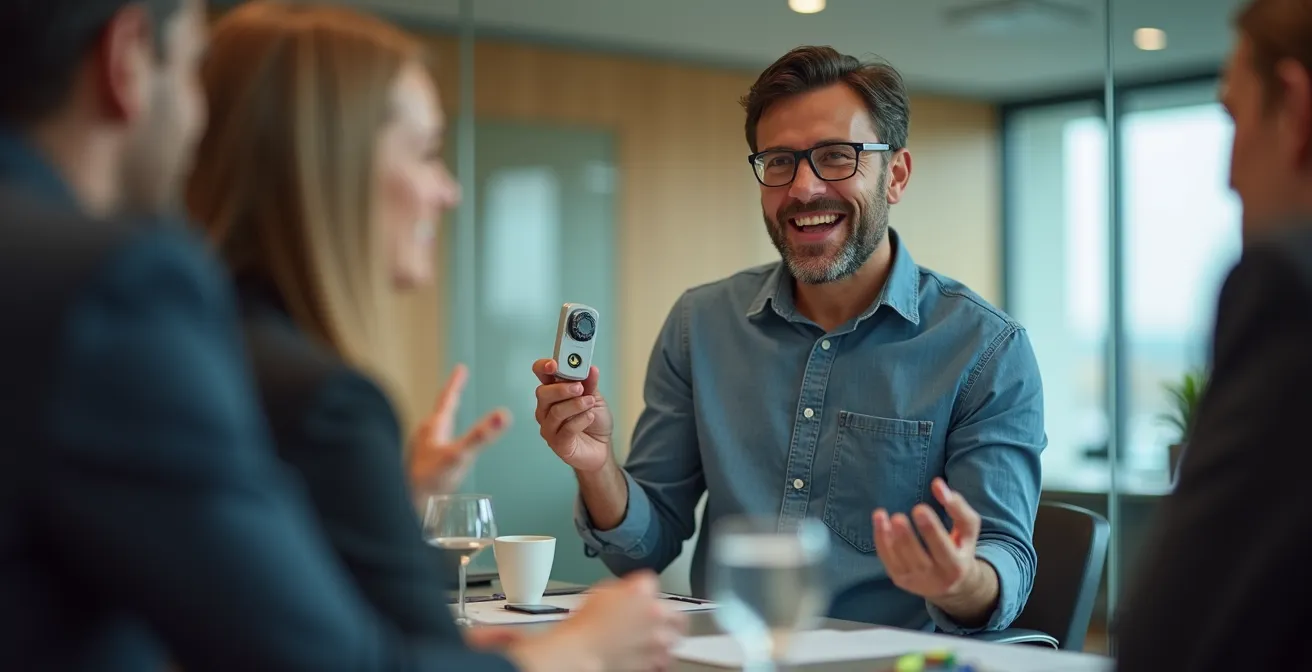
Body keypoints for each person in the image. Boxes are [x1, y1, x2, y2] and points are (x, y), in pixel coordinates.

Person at [0, 1, 678, 670]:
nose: (449, 192)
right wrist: (577, 652)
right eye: (426, 151)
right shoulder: (129, 300)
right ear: (126, 60)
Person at [532, 46, 1046, 632]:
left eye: (835, 156)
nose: (802, 188)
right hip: (730, 657)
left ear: (895, 175)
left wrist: (960, 581)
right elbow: (641, 552)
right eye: (779, 162)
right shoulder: (699, 324)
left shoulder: (984, 349)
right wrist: (596, 467)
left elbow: (1003, 563)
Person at [1114, 0, 1312, 668]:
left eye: (1233, 116)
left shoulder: (1288, 291)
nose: (1229, 179)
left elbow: (1172, 639)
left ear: (1295, 105)